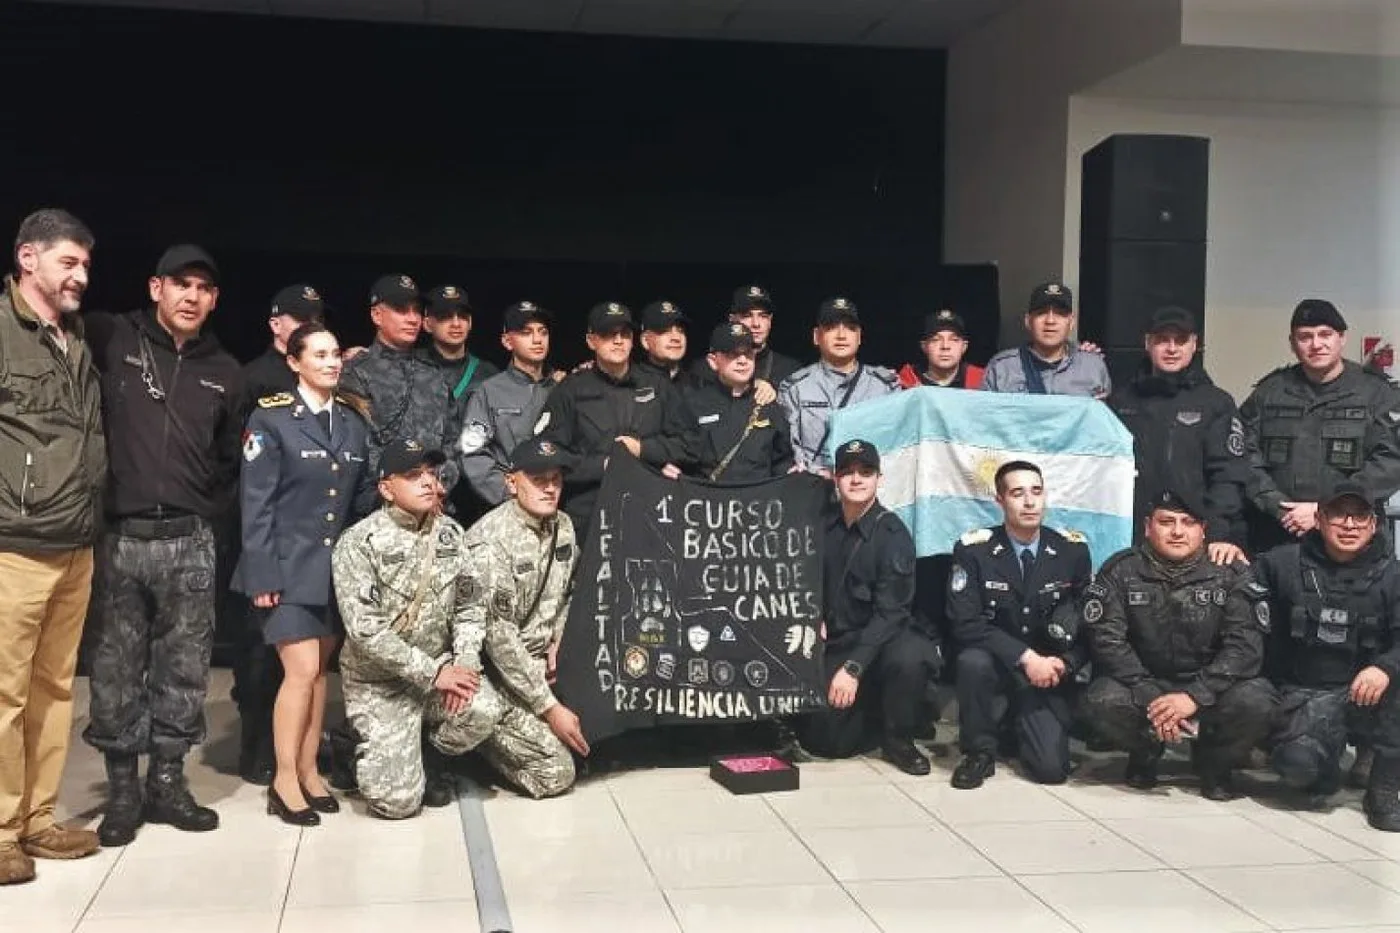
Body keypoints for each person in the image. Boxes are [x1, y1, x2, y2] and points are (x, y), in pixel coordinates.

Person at [82, 245, 243, 847]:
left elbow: (229, 461)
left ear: (214, 299)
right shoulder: (112, 339)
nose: (191, 296)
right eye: (181, 284)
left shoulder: (224, 371)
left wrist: (206, 519)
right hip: (121, 537)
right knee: (116, 671)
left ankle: (168, 782)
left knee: (185, 669)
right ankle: (122, 792)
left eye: (203, 287)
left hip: (189, 540)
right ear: (155, 288)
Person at [233, 322, 375, 825]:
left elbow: (356, 504)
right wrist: (262, 575)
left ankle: (311, 770)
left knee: (319, 678)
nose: (332, 362)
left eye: (336, 353)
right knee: (299, 673)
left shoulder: (353, 422)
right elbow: (257, 506)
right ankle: (284, 778)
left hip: (334, 572)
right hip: (287, 569)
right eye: (319, 354)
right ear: (295, 362)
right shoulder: (272, 420)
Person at [0, 209, 105, 885]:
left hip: (75, 543)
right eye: (69, 262)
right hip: (14, 545)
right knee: (3, 694)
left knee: (55, 687)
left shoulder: (75, 337)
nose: (81, 276)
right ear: (28, 257)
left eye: (86, 266)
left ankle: (37, 818)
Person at [331, 439, 506, 818]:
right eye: (413, 475)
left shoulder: (451, 535)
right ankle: (351, 742)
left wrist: (465, 662)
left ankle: (430, 754)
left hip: (440, 667)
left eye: (431, 473)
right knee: (397, 805)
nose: (428, 482)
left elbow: (470, 605)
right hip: (380, 682)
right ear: (385, 488)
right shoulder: (358, 543)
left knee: (484, 709)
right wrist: (435, 673)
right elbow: (366, 633)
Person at [1080, 489, 1274, 799]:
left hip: (1211, 685)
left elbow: (1244, 648)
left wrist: (1194, 696)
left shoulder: (1230, 572)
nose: (1177, 531)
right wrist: (1154, 698)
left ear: (1203, 531)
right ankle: (1145, 751)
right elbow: (1107, 641)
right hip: (1143, 681)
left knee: (1257, 700)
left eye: (1188, 523)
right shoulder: (1121, 570)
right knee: (1100, 699)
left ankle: (1215, 763)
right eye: (1166, 522)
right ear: (1147, 527)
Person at [1255, 481, 1400, 830]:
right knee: (1298, 768)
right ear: (1318, 519)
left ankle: (1383, 787)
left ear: (1374, 524)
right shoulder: (1281, 564)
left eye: (1359, 516)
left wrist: (1384, 667)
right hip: (1305, 695)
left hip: (1368, 695)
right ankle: (1325, 767)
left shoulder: (1394, 576)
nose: (1349, 525)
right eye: (1338, 515)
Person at [232, 282, 327, 785]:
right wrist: (259, 560)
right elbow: (245, 474)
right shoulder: (254, 381)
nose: (309, 328)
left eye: (316, 320)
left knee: (310, 668)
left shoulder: (337, 397)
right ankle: (258, 752)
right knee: (258, 658)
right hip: (269, 542)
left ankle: (301, 758)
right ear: (276, 324)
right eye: (300, 320)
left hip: (315, 550)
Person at [798, 440, 941, 775]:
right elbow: (804, 579)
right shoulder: (822, 526)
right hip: (838, 636)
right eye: (847, 472)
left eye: (866, 472)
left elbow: (891, 614)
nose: (856, 479)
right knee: (825, 742)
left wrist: (852, 669)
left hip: (883, 639)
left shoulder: (892, 534)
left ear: (879, 478)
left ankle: (900, 737)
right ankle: (875, 709)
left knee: (912, 655)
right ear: (835, 478)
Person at [946, 461, 1092, 788]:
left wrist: (1065, 665)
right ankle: (978, 752)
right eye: (1017, 493)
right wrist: (1027, 658)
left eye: (1036, 492)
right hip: (998, 665)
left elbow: (1087, 623)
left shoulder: (1072, 550)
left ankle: (1015, 730)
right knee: (972, 660)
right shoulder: (975, 550)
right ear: (1000, 501)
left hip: (1046, 676)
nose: (1029, 502)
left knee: (1051, 772)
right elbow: (966, 624)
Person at [465, 438, 590, 797]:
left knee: (602, 736)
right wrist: (548, 707)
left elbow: (570, 592)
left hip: (547, 663)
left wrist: (560, 640)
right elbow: (499, 640)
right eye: (538, 479)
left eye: (556, 479)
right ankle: (475, 750)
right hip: (501, 674)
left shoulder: (562, 526)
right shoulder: (489, 542)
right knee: (557, 773)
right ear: (511, 482)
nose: (550, 489)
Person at [1239, 299, 1400, 553]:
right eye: (1305, 337)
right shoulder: (1269, 392)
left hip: (1352, 538)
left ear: (1342, 338)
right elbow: (1242, 456)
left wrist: (1326, 508)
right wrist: (1277, 505)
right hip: (1277, 534)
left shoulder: (1377, 393)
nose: (1316, 344)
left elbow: (1391, 461)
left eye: (1325, 334)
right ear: (1292, 343)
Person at [534, 302, 696, 537]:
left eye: (625, 334)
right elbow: (548, 455)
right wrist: (604, 466)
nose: (618, 340)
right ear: (591, 340)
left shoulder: (658, 386)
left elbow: (691, 445)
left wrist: (643, 449)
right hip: (589, 517)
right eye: (609, 334)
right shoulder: (570, 390)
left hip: (652, 512)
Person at [1108, 306, 1250, 554]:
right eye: (1163, 340)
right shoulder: (1120, 403)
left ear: (1194, 344)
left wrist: (1216, 532)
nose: (1172, 349)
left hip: (1193, 539)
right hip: (1129, 538)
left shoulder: (1216, 403)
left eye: (1180, 341)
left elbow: (1228, 476)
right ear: (1148, 343)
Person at [339, 274, 464, 491]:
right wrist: (404, 489)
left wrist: (439, 482)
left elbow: (452, 443)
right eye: (401, 310)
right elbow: (356, 446)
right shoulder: (355, 372)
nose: (413, 318)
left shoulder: (434, 375)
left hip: (434, 502)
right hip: (376, 506)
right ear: (377, 315)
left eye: (417, 310)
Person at [779, 297, 899, 475]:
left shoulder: (883, 387)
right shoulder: (795, 388)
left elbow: (896, 448)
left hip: (867, 488)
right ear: (816, 336)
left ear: (859, 337)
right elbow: (786, 451)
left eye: (850, 328)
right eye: (831, 327)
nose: (841, 335)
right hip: (814, 489)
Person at [460, 301, 559, 507]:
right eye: (526, 332)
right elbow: (472, 451)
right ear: (507, 341)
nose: (537, 339)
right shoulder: (488, 391)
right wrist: (510, 493)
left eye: (543, 332)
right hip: (509, 507)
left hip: (557, 501)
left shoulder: (563, 389)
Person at [684, 322, 794, 482]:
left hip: (758, 502)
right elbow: (681, 457)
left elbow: (782, 461)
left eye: (748, 353)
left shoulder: (768, 405)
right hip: (709, 501)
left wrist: (792, 473)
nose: (742, 360)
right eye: (732, 354)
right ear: (713, 361)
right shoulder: (693, 404)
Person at [981, 282, 1111, 397]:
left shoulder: (1092, 366)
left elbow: (1102, 420)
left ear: (1071, 322)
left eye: (1060, 313)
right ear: (1028, 321)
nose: (1050, 321)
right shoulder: (1002, 368)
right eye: (1041, 313)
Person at [238, 284, 327, 417]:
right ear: (276, 325)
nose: (313, 327)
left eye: (317, 320)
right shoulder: (253, 378)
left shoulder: (330, 370)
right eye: (303, 320)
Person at [419, 284, 499, 405]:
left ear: (470, 323)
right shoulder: (409, 366)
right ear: (427, 324)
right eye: (445, 316)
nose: (456, 323)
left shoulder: (488, 374)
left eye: (463, 316)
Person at [897, 309, 985, 389]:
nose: (945, 346)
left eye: (954, 340)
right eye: (935, 340)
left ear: (964, 346)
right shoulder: (905, 383)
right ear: (924, 346)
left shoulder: (982, 381)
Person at [636, 300, 690, 384]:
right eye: (665, 331)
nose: (676, 338)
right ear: (645, 340)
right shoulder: (631, 385)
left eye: (681, 331)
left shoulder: (700, 386)